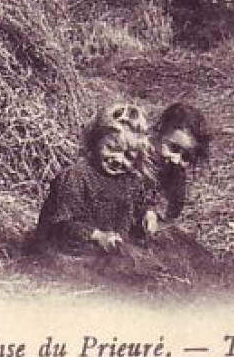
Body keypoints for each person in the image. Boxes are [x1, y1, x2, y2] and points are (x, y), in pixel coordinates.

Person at [28, 107, 157, 278]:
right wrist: (96, 236)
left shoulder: (129, 180)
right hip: (65, 249)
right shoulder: (76, 176)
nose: (119, 159)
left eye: (129, 156)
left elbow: (142, 200)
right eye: (112, 148)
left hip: (105, 249)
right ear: (95, 141)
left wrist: (148, 213)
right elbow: (61, 225)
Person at [141, 102, 212, 238]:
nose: (176, 159)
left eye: (185, 156)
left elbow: (171, 213)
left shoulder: (176, 171)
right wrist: (146, 209)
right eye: (173, 148)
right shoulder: (132, 155)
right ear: (160, 131)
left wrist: (156, 215)